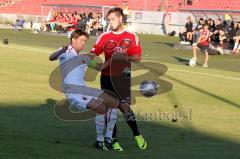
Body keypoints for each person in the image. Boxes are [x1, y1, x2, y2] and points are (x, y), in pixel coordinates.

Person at [49, 29, 124, 150]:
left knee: (114, 103)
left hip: (84, 89)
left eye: (85, 41)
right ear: (73, 39)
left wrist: (112, 58)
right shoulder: (65, 51)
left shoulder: (84, 57)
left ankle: (109, 138)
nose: (83, 43)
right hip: (73, 92)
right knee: (101, 107)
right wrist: (61, 50)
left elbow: (99, 67)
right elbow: (51, 57)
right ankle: (100, 141)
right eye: (81, 40)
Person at [90, 7, 147, 151]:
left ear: (121, 18)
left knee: (125, 107)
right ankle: (113, 140)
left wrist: (125, 57)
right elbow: (92, 54)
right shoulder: (104, 36)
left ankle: (137, 134)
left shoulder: (132, 36)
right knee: (111, 109)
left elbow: (138, 58)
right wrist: (91, 63)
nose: (110, 22)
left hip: (123, 77)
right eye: (108, 20)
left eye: (113, 19)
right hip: (107, 77)